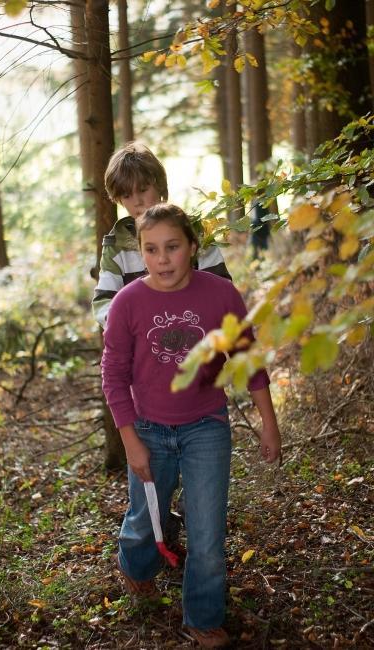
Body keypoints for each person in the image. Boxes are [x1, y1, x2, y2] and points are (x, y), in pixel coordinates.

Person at [101, 204, 282, 649]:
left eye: (173, 247)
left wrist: (268, 424)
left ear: (193, 247)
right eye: (151, 249)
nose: (162, 258)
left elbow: (248, 362)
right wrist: (131, 442)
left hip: (206, 427)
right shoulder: (128, 302)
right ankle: (136, 565)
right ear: (141, 253)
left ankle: (202, 618)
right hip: (147, 429)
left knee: (207, 531)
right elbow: (113, 374)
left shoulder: (220, 295)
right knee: (146, 518)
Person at [92, 141, 231, 329]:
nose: (137, 202)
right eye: (127, 195)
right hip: (140, 342)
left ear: (159, 185)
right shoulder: (117, 245)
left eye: (143, 190)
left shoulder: (193, 230)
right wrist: (128, 326)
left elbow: (222, 288)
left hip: (195, 337)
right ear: (118, 199)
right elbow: (103, 302)